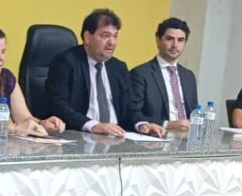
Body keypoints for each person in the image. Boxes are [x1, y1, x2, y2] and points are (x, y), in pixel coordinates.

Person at [45, 9, 166, 137]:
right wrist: (94, 125)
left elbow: (129, 108)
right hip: (82, 134)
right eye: (105, 36)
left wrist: (142, 124)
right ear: (87, 37)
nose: (112, 42)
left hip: (116, 136)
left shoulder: (118, 67)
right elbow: (58, 105)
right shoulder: (66, 62)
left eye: (115, 36)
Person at [130, 17, 199, 132]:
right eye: (169, 39)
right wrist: (167, 125)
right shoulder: (140, 74)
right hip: (159, 135)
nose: (175, 45)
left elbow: (194, 113)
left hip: (186, 136)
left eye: (180, 40)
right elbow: (133, 114)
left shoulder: (189, 76)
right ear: (158, 40)